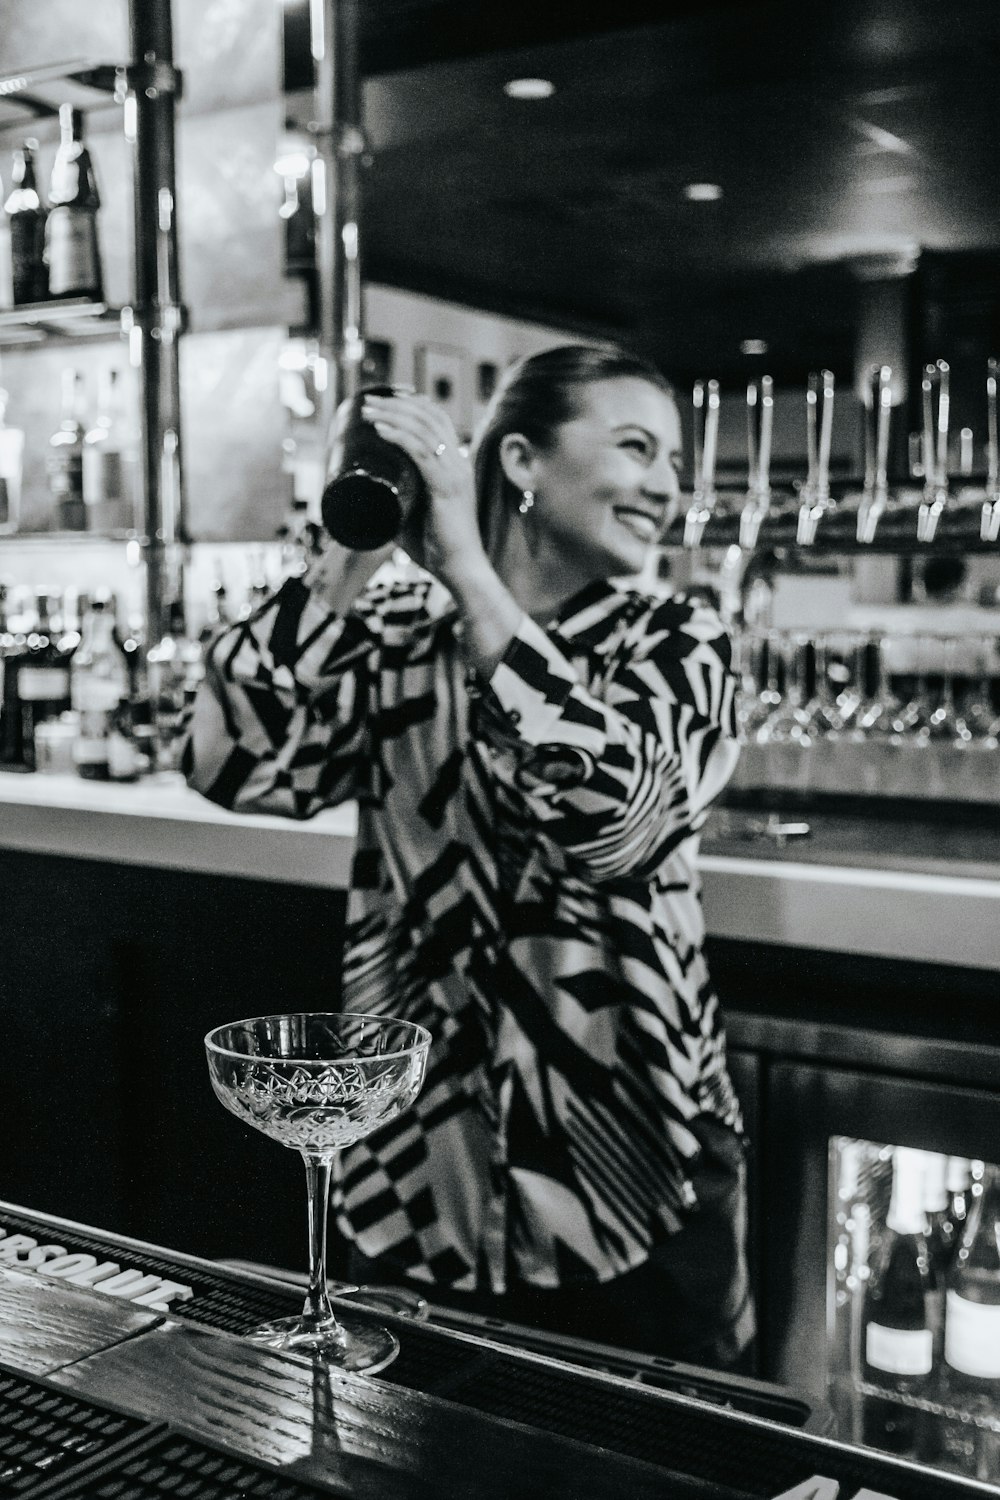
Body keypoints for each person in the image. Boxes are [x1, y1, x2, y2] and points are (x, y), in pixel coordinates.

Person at [183, 343, 754, 1372]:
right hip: (410, 1188)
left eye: (672, 460)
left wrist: (468, 574)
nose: (668, 485)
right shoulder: (399, 641)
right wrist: (348, 556)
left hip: (634, 1186)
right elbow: (229, 761)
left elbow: (618, 820)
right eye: (637, 447)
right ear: (523, 462)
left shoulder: (678, 640)